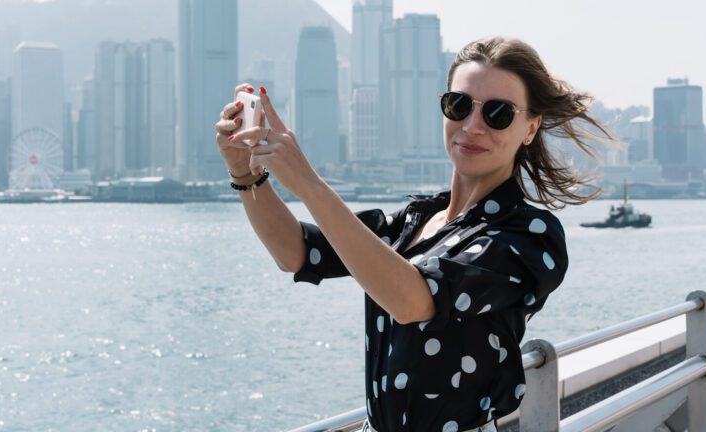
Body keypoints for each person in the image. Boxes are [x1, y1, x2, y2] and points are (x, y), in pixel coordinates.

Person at [214, 36, 614, 432]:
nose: (472, 126)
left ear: (530, 128)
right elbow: (296, 253)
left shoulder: (531, 235)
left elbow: (415, 301)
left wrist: (310, 185)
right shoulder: (415, 219)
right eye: (459, 105)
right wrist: (245, 173)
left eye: (498, 113)